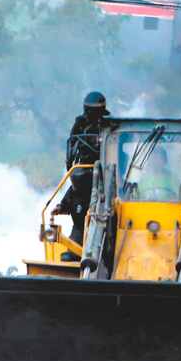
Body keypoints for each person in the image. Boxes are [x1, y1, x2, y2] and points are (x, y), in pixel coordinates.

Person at [59, 91, 113, 247]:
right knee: (79, 201)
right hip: (83, 168)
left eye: (94, 110)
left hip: (106, 170)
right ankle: (77, 241)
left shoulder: (109, 125)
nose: (90, 114)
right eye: (89, 110)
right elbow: (72, 144)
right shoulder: (80, 124)